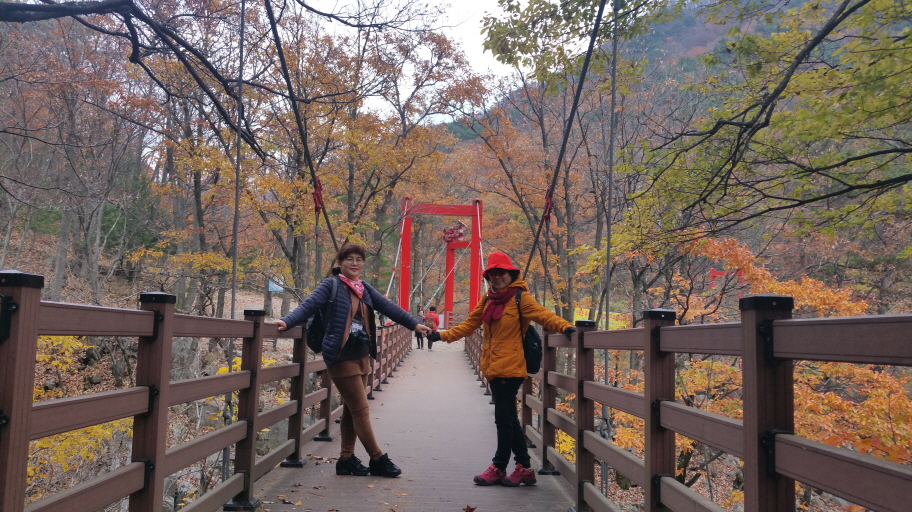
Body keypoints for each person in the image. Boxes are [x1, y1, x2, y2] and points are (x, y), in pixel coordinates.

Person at [274, 244, 432, 478]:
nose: (355, 263)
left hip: (362, 353)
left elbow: (388, 307)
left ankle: (346, 459)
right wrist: (287, 321)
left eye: (359, 259)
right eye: (349, 259)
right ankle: (377, 459)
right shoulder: (331, 285)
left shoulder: (363, 288)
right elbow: (309, 305)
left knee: (351, 408)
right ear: (339, 263)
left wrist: (414, 324)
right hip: (340, 355)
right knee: (361, 409)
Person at [427, 251, 574, 486]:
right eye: (492, 274)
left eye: (501, 273)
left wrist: (566, 327)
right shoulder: (488, 299)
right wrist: (442, 335)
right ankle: (525, 468)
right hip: (493, 367)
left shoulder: (520, 298)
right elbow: (469, 325)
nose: (496, 277)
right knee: (508, 418)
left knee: (504, 420)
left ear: (511, 274)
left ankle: (499, 466)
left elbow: (543, 315)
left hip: (511, 368)